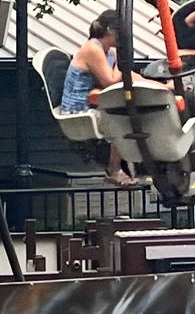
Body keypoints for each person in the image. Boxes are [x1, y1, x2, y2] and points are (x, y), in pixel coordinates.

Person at [62, 12, 146, 186]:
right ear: (110, 30)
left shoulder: (111, 51)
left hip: (95, 102)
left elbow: (124, 75)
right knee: (123, 121)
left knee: (135, 111)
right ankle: (114, 169)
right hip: (79, 109)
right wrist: (122, 65)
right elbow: (109, 81)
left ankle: (164, 87)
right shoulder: (93, 48)